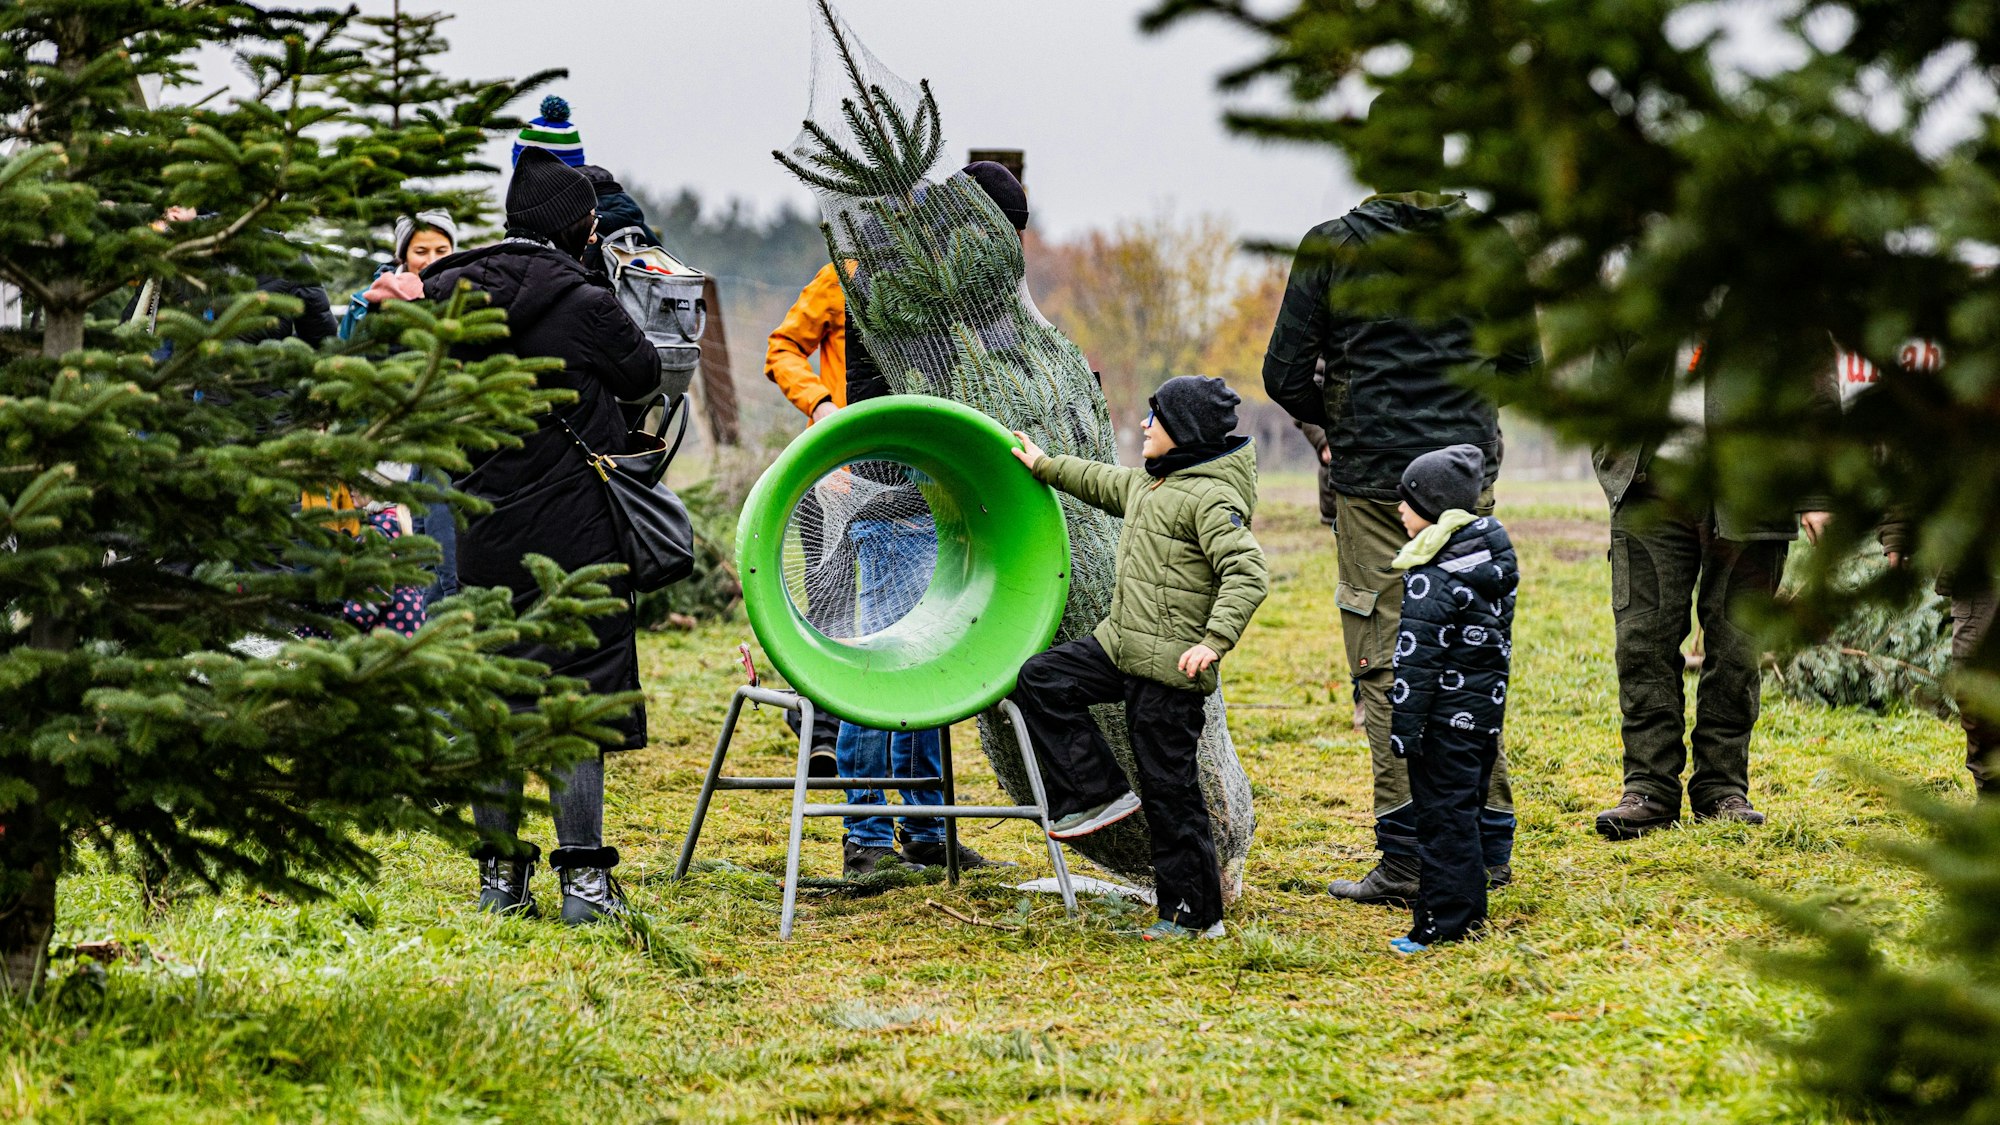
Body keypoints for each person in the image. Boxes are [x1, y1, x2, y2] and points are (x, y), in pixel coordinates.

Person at [1263, 192, 1538, 905]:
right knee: (1470, 647)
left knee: (1387, 661)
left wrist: (1347, 426)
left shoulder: (1332, 247)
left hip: (1375, 487)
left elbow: (1283, 375)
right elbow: (1523, 365)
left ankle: (1410, 857)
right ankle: (1487, 841)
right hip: (1466, 479)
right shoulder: (1489, 242)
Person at [764, 161, 1032, 879]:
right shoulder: (856, 268)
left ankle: (923, 827)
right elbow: (784, 345)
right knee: (881, 659)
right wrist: (824, 410)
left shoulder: (973, 296)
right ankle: (868, 835)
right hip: (874, 494)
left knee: (937, 659)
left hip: (945, 499)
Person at [421, 148, 662, 922]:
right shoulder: (583, 300)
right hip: (576, 534)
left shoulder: (447, 295)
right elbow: (645, 374)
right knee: (575, 698)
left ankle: (500, 880)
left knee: (495, 700)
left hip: (481, 528)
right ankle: (585, 885)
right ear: (576, 228)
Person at [1008, 375, 1268, 942]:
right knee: (1040, 680)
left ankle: (1195, 917)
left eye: (1158, 417)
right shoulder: (1156, 484)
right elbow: (1101, 481)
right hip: (1121, 645)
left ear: (1186, 430)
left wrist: (1213, 641)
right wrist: (1045, 465)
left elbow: (1248, 572)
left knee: (1171, 792)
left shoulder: (1210, 497)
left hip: (1171, 670)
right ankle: (1093, 796)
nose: (1147, 426)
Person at [1591, 343, 1834, 838]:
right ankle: (1648, 789)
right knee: (1642, 641)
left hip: (1754, 489)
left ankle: (1722, 789)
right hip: (1650, 490)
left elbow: (1817, 388)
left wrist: (1816, 492)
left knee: (1737, 643)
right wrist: (1615, 458)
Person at [1384, 445, 1518, 953]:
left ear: (1433, 507)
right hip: (1481, 719)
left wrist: (1405, 731)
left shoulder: (1432, 574)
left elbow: (1417, 664)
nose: (1399, 508)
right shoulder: (1484, 560)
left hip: (1441, 723)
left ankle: (1445, 923)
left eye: (1407, 499)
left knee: (1442, 823)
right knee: (1463, 814)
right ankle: (1466, 911)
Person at [340, 210, 462, 609]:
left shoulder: (460, 299)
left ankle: (427, 618)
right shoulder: (369, 303)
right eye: (421, 250)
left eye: (441, 249)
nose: (431, 259)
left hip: (440, 438)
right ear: (402, 253)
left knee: (434, 536)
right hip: (384, 441)